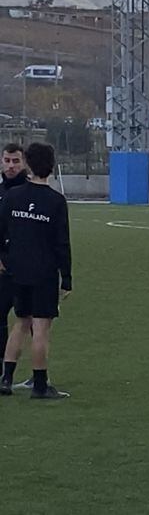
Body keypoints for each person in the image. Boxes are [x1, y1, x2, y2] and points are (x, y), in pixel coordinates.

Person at [0, 143, 72, 399]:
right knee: (40, 328)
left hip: (17, 271)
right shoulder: (55, 201)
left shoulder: (12, 196)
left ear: (28, 164)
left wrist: (3, 258)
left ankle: (6, 378)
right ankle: (40, 385)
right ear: (51, 166)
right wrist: (67, 278)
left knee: (20, 323)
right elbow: (62, 243)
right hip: (44, 273)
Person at [0, 143, 28, 388]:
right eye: (7, 161)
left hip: (25, 268)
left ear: (24, 163)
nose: (10, 166)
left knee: (32, 322)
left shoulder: (31, 193)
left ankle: (39, 372)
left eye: (15, 161)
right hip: (2, 267)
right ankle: (4, 373)